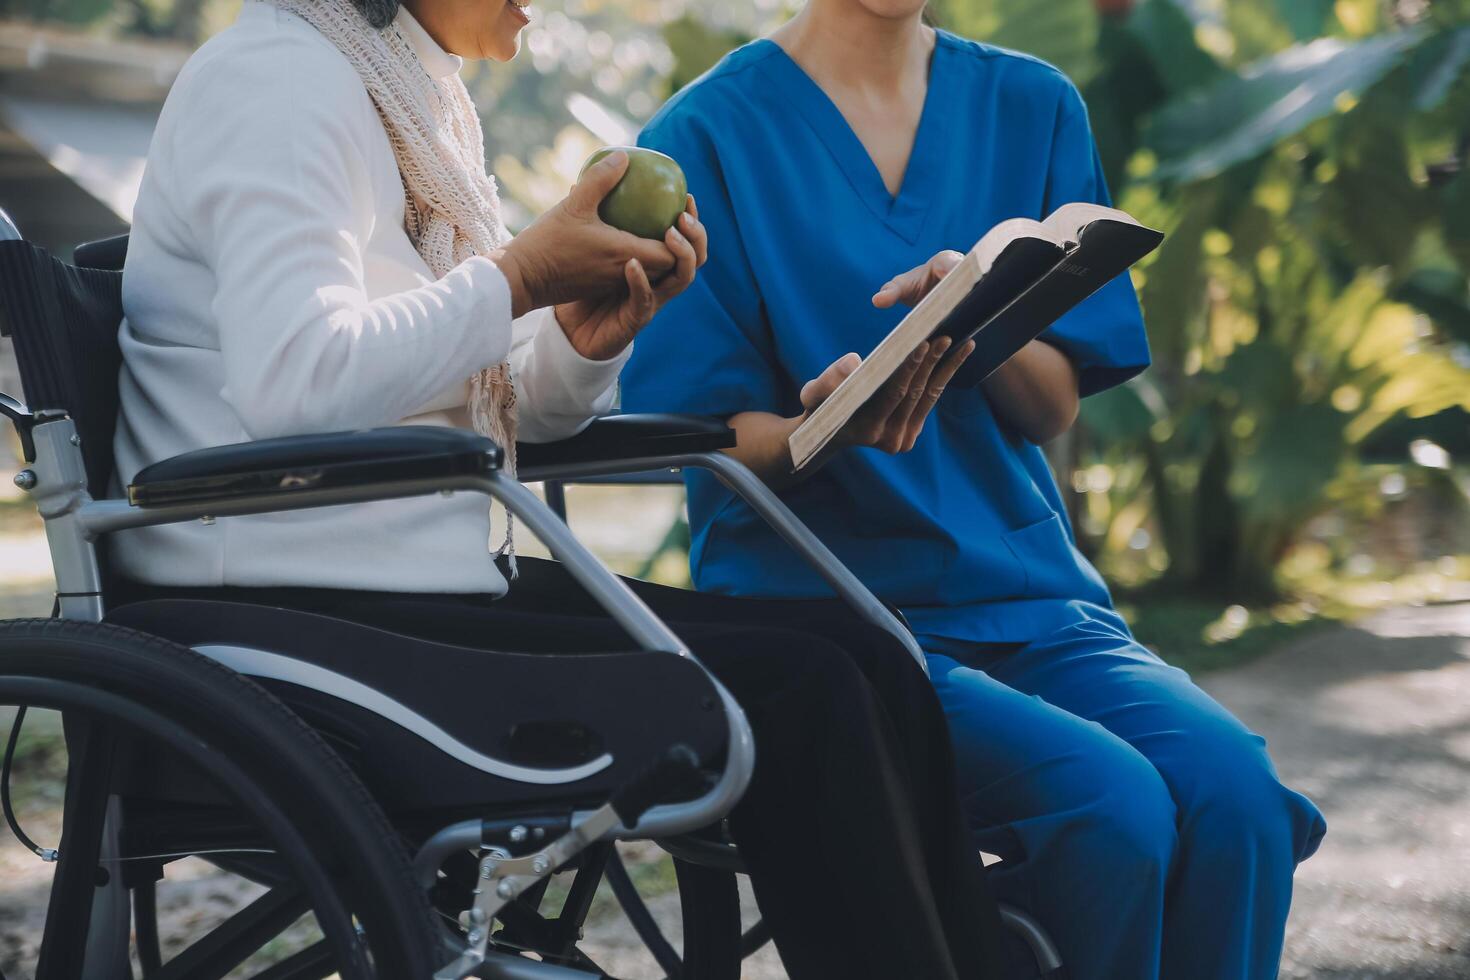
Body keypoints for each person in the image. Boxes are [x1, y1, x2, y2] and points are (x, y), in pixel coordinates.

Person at [107, 0, 1011, 976]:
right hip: (276, 623)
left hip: (408, 594)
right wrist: (517, 276)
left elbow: (499, 413)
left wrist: (584, 333)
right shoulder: (279, 79)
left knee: (865, 652)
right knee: (807, 691)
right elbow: (299, 379)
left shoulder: (408, 94)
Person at [621, 1, 1329, 977]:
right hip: (838, 616)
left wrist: (979, 324)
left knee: (1238, 799)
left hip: (1031, 598)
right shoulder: (704, 136)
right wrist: (832, 423)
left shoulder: (1032, 105)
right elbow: (706, 439)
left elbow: (1052, 409)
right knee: (1111, 808)